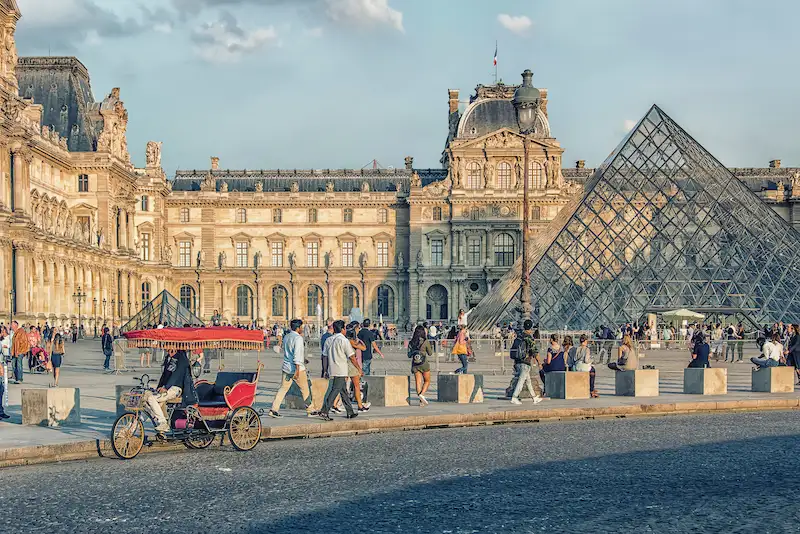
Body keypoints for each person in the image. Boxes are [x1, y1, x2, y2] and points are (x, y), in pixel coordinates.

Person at [268, 319, 316, 418]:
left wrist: (303, 359)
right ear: (298, 328)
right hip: (296, 369)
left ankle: (274, 409)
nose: (302, 329)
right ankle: (310, 410)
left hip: (286, 368)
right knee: (305, 390)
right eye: (301, 327)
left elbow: (290, 352)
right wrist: (298, 370)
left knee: (283, 389)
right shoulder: (298, 338)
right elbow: (297, 355)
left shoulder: (287, 336)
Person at [144, 349, 197, 433]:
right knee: (146, 400)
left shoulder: (182, 359)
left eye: (171, 350)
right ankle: (162, 424)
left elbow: (176, 375)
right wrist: (159, 387)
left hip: (176, 389)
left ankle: (163, 422)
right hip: (167, 388)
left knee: (151, 399)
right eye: (168, 350)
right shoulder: (169, 358)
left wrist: (166, 387)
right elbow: (164, 375)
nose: (169, 352)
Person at [319, 320, 357, 421]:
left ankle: (350, 412)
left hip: (332, 369)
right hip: (341, 370)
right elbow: (352, 357)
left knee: (343, 391)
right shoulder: (343, 340)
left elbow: (324, 357)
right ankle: (324, 410)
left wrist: (325, 370)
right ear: (342, 329)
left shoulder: (328, 340)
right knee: (335, 390)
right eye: (344, 328)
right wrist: (358, 368)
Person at [509, 320, 544, 405]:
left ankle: (534, 397)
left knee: (528, 381)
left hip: (518, 361)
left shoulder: (520, 336)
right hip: (525, 362)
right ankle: (514, 397)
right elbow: (535, 351)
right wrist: (540, 363)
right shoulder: (529, 338)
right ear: (531, 328)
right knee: (521, 380)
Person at [407, 325, 433, 406]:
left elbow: (409, 355)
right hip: (424, 363)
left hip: (415, 364)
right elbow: (430, 353)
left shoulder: (411, 342)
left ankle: (421, 401)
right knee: (427, 381)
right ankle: (422, 395)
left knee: (418, 382)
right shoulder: (426, 342)